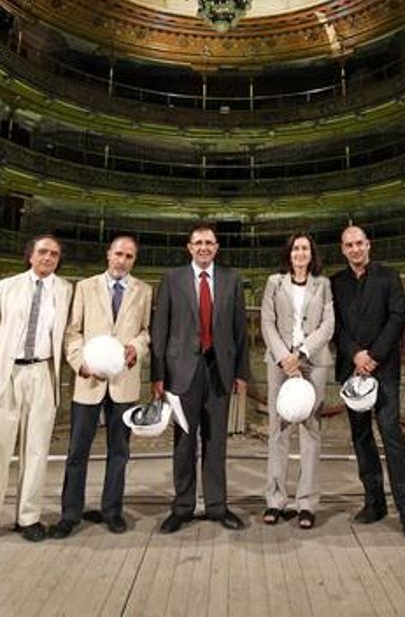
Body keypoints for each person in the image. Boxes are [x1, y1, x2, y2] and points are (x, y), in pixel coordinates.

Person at [49, 236, 151, 538]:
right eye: (118, 254)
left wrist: (136, 348)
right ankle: (70, 514)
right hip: (88, 381)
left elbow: (146, 332)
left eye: (129, 256)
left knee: (119, 452)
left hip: (124, 382)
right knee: (77, 451)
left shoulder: (144, 290)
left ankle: (112, 511)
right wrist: (80, 363)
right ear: (108, 254)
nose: (122, 260)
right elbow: (73, 332)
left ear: (134, 260)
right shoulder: (85, 287)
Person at [151, 222, 248, 533]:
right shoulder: (172, 278)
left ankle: (217, 506)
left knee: (216, 442)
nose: (204, 247)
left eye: (209, 243)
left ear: (216, 248)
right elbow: (160, 329)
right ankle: (182, 507)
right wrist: (158, 375)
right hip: (181, 373)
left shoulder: (232, 279)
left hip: (219, 370)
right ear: (189, 247)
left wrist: (241, 373)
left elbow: (240, 330)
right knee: (184, 442)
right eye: (199, 243)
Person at [331, 225, 405, 539]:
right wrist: (356, 355)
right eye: (349, 245)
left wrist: (373, 356)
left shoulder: (389, 277)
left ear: (368, 245)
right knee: (361, 438)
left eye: (359, 243)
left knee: (391, 435)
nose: (355, 249)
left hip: (383, 371)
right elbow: (335, 326)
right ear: (343, 249)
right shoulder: (335, 283)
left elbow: (397, 318)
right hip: (352, 371)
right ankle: (374, 503)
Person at [0, 234, 72, 542]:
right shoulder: (6, 287)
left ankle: (28, 518)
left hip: (43, 371)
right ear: (30, 255)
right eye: (43, 251)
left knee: (37, 449)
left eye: (54, 254)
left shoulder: (66, 290)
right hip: (7, 372)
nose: (48, 257)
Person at [261, 232, 334, 529]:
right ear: (288, 254)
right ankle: (275, 500)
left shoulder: (323, 284)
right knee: (277, 432)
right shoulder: (274, 282)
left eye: (305, 248)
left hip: (314, 361)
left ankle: (306, 503)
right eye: (295, 249)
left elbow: (328, 325)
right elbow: (267, 321)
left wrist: (302, 352)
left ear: (311, 253)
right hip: (279, 362)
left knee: (310, 432)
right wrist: (284, 357)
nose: (300, 253)